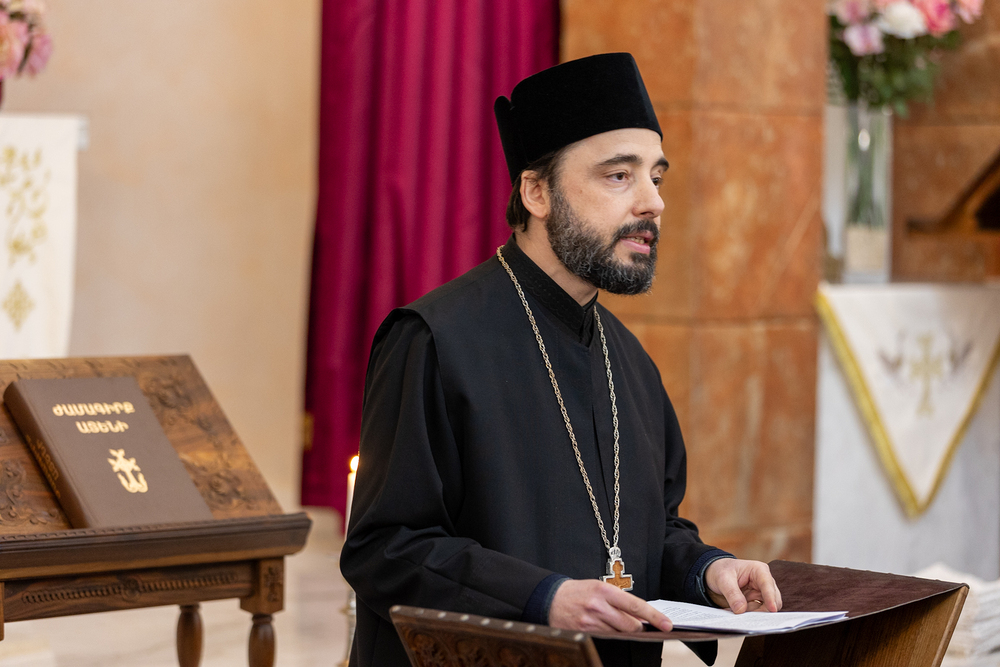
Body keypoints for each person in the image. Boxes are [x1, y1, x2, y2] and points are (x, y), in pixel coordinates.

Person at [340, 52, 782, 667]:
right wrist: (541, 598)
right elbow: (385, 548)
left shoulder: (631, 363)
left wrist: (706, 571)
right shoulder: (434, 340)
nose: (653, 203)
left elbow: (648, 532)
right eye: (619, 175)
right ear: (537, 192)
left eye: (656, 177)